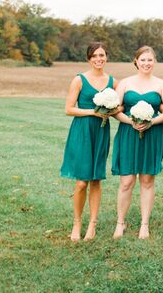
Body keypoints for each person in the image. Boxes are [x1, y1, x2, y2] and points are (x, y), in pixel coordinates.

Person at [111, 46, 163, 239]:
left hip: (153, 135)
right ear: (136, 61)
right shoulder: (125, 83)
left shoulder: (161, 85)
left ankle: (144, 224)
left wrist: (151, 121)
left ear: (154, 62)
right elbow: (115, 109)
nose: (146, 63)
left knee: (147, 180)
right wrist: (131, 121)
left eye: (150, 60)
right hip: (128, 133)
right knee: (126, 181)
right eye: (143, 60)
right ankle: (121, 222)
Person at [60, 42, 118, 241]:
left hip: (101, 131)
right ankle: (77, 223)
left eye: (102, 55)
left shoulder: (112, 82)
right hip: (82, 131)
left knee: (96, 179)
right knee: (81, 182)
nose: (99, 59)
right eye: (95, 56)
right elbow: (69, 109)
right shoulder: (79, 80)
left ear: (106, 57)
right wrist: (93, 112)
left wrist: (112, 111)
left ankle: (92, 224)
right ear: (89, 58)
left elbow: (119, 108)